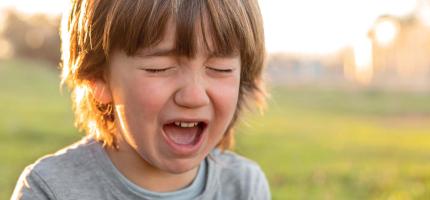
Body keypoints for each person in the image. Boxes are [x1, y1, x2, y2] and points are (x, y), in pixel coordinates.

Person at [11, 0, 270, 199]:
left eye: (221, 69)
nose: (193, 96)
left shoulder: (244, 186)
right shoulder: (52, 190)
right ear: (98, 78)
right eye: (158, 67)